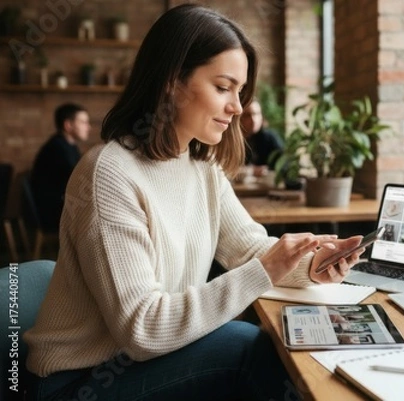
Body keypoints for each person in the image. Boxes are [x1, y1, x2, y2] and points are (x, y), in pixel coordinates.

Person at [23, 5, 364, 401]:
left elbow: (250, 249)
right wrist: (264, 270)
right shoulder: (109, 174)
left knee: (254, 343)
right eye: (223, 87)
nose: (237, 107)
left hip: (145, 362)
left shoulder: (202, 167)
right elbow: (143, 329)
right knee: (250, 350)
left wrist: (312, 266)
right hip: (77, 382)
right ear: (172, 82)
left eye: (240, 91)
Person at [29, 103, 90, 232]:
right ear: (68, 125)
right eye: (83, 122)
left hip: (63, 206)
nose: (88, 127)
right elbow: (78, 178)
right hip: (53, 213)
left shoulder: (69, 146)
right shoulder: (57, 148)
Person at [240, 98, 283, 176]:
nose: (253, 120)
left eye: (256, 114)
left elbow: (284, 164)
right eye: (247, 115)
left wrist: (266, 170)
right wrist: (251, 171)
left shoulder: (269, 138)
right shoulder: (231, 140)